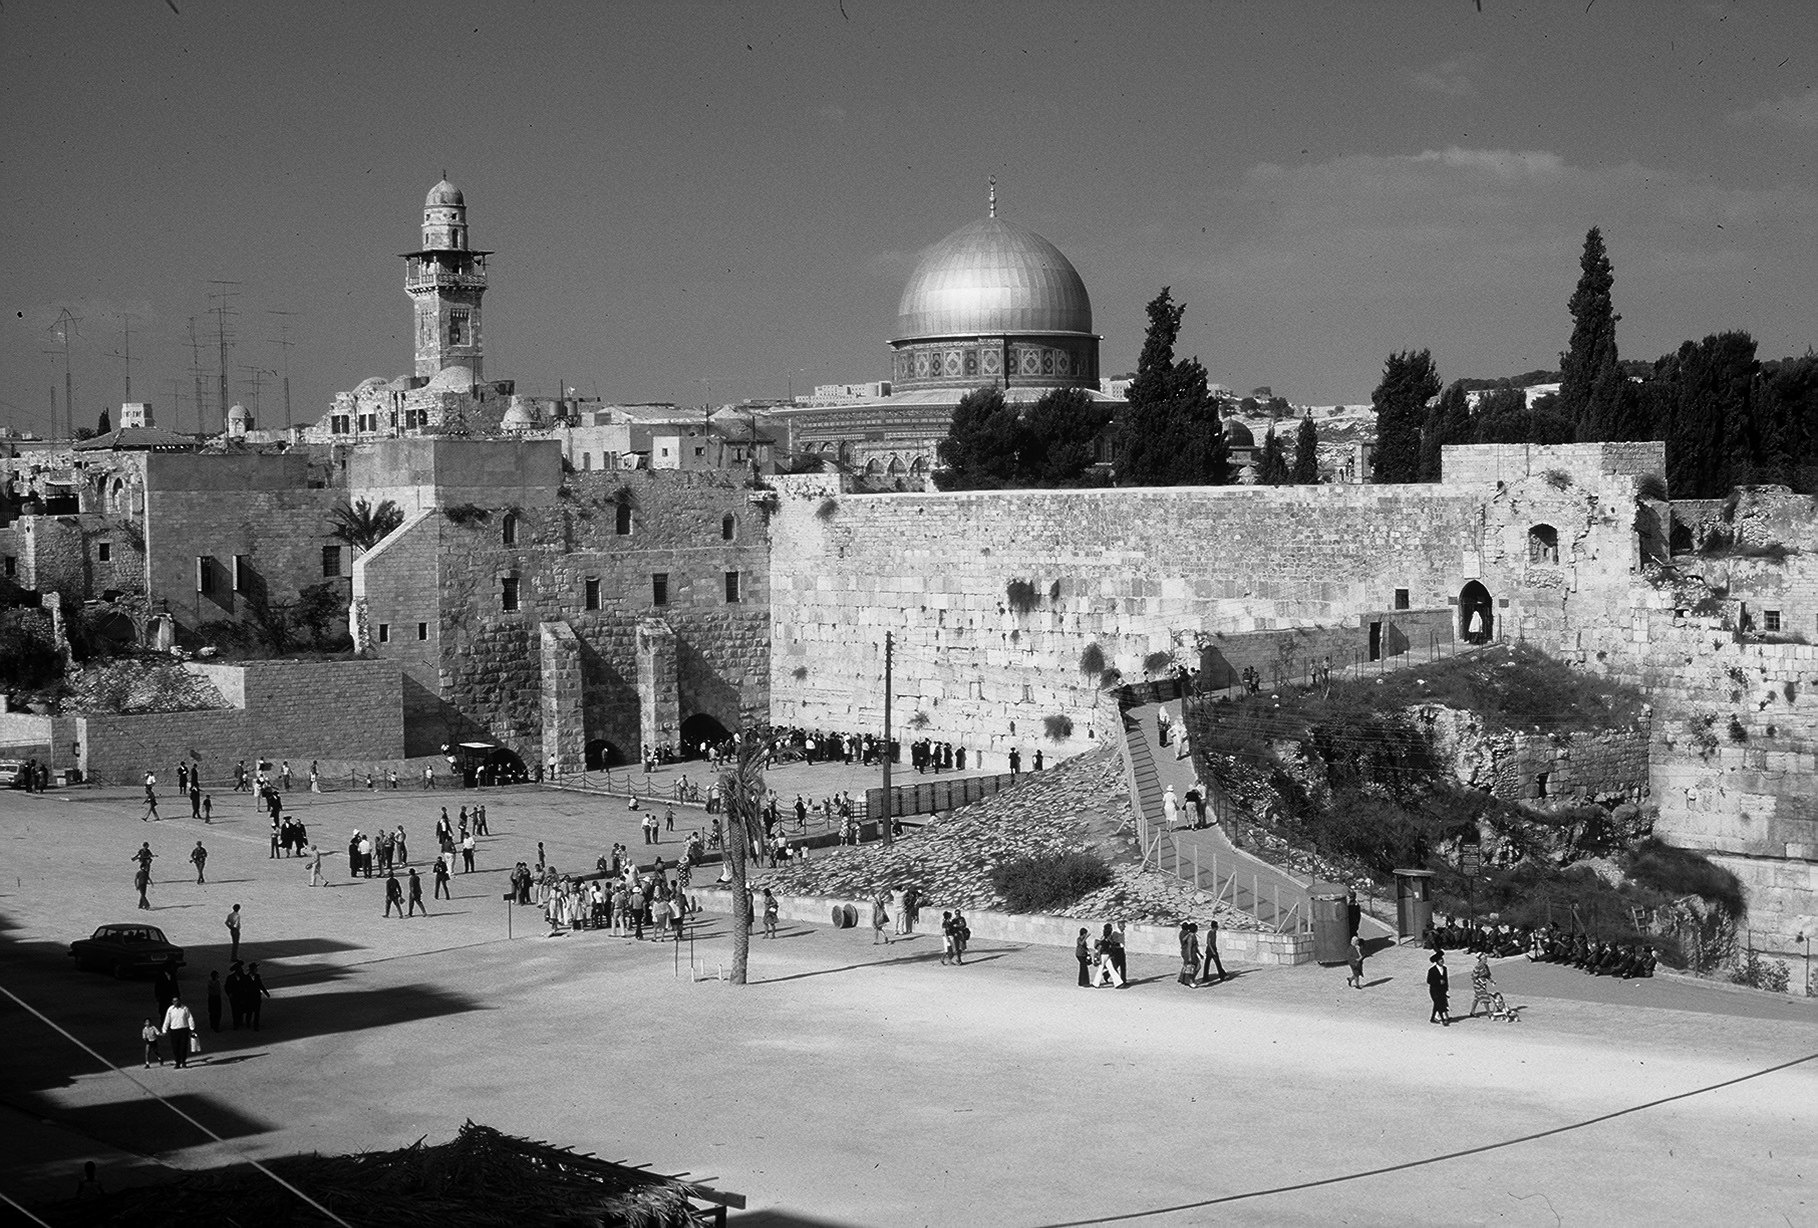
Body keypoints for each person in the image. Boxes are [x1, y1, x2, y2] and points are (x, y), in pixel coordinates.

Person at [161, 994, 197, 1068]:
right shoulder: (170, 1009)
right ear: (172, 1002)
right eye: (174, 1001)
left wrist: (192, 1028)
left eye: (177, 1001)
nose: (176, 1002)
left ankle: (183, 1061)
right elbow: (167, 1020)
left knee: (183, 1046)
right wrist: (164, 1029)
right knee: (175, 1047)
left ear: (179, 1001)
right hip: (174, 1030)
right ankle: (177, 1062)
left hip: (184, 1029)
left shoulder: (185, 1008)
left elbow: (190, 1018)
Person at [1428, 951, 1451, 1026]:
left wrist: (1446, 989)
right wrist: (1438, 981)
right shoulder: (1432, 970)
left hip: (1442, 990)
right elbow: (1429, 981)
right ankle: (1443, 1019)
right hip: (1434, 990)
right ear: (1437, 962)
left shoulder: (1445, 968)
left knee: (1437, 1004)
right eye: (1440, 960)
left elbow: (1446, 979)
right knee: (1439, 1004)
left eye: (1442, 959)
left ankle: (1432, 1018)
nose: (1442, 961)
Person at [1201, 918, 1228, 983]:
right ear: (1215, 927)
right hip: (1210, 950)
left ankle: (1222, 975)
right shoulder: (1210, 933)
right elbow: (1209, 942)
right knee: (1209, 964)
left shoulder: (1214, 932)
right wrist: (1213, 951)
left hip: (1213, 949)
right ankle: (1206, 977)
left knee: (1217, 963)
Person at [245, 963, 269, 1030]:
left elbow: (260, 985)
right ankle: (248, 1023)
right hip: (249, 997)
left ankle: (256, 1025)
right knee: (249, 1012)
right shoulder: (246, 978)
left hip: (257, 997)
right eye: (255, 969)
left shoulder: (257, 976)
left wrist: (266, 992)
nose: (256, 970)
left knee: (257, 1012)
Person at [1179, 922, 1201, 987]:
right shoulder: (1190, 936)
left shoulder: (1192, 935)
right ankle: (1190, 981)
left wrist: (1199, 954)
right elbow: (1189, 947)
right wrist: (1190, 957)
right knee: (1191, 968)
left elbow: (1195, 946)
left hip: (1193, 953)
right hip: (1190, 954)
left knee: (1195, 967)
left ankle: (1189, 980)